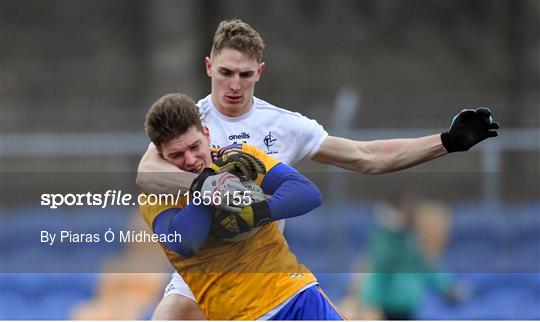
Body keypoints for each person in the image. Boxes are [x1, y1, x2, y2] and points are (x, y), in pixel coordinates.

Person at [136, 19, 499, 320]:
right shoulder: (188, 123)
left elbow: (367, 157)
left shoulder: (283, 125)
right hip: (203, 265)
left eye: (245, 75)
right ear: (208, 67)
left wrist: (446, 142)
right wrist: (212, 186)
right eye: (226, 72)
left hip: (262, 262)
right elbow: (146, 175)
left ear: (259, 72)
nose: (234, 85)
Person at [140, 92, 345, 320]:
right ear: (160, 155)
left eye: (194, 146)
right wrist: (208, 186)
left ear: (206, 135)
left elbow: (307, 192)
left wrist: (257, 212)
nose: (190, 159)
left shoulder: (237, 158)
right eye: (177, 155)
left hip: (297, 297)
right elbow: (187, 241)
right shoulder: (154, 198)